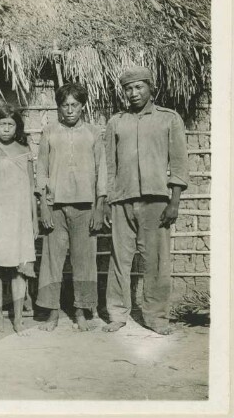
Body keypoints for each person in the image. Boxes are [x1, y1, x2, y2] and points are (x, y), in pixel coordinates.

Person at [103, 66, 188, 335]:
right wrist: (107, 200)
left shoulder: (169, 119)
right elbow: (110, 166)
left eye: (139, 87)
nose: (133, 93)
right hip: (122, 200)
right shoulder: (116, 122)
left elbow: (178, 163)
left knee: (156, 261)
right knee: (120, 259)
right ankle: (117, 313)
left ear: (152, 88)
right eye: (128, 88)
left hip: (156, 201)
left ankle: (156, 318)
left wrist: (174, 201)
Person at [35, 83, 106, 332]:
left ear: (83, 106)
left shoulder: (94, 133)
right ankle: (52, 313)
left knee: (84, 261)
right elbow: (41, 169)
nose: (69, 109)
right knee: (52, 261)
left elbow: (102, 171)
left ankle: (81, 311)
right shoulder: (49, 132)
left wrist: (100, 206)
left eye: (74, 104)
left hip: (86, 206)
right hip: (56, 206)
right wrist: (43, 203)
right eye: (64, 105)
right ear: (58, 107)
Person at [0, 105, 38, 336]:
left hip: (20, 216)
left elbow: (31, 186)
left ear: (17, 127)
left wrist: (34, 219)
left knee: (21, 267)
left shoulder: (25, 149)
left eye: (10, 124)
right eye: (1, 124)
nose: (6, 129)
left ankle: (17, 318)